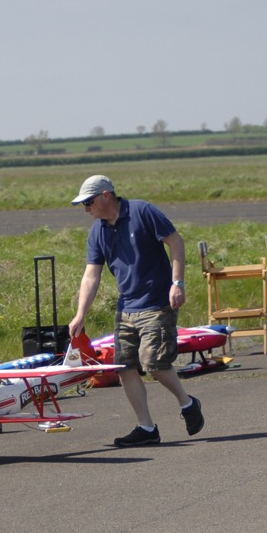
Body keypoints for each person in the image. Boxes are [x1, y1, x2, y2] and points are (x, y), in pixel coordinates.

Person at [67, 174, 204, 446]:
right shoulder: (98, 232)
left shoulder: (142, 211)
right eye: (83, 204)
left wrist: (177, 283)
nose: (86, 209)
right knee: (125, 367)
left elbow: (176, 242)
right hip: (126, 307)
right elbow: (91, 275)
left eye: (89, 202)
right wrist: (81, 313)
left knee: (153, 362)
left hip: (157, 302)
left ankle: (188, 403)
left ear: (106, 195)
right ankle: (147, 428)